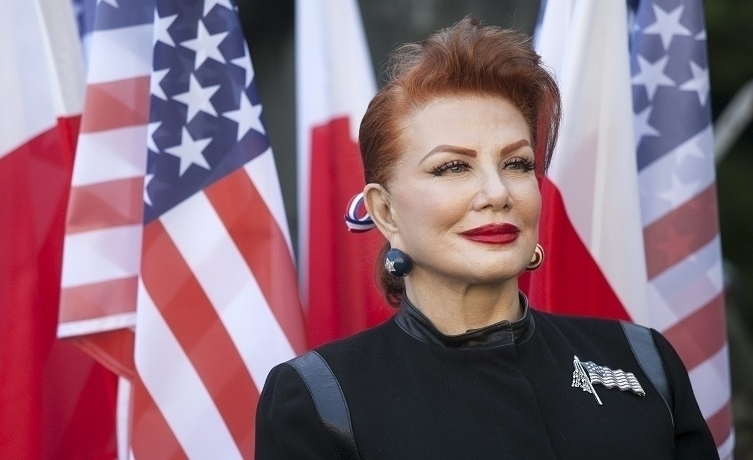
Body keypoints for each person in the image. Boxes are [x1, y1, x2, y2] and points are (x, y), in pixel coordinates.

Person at [255, 17, 718, 459]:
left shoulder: (645, 361)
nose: (497, 193)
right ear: (386, 212)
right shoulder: (319, 400)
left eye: (517, 164)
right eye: (453, 167)